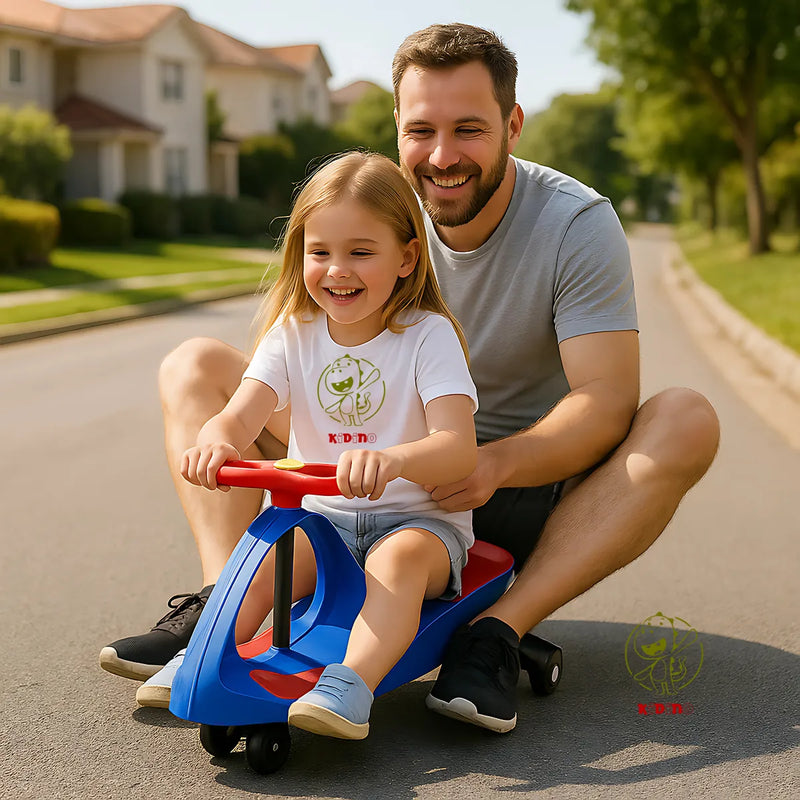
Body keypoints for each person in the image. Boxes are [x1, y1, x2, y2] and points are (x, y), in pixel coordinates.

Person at [100, 23, 720, 733]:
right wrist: (226, 436)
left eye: (469, 130)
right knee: (193, 363)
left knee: (686, 416)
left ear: (513, 125)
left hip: (499, 480)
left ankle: (495, 634)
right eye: (422, 130)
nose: (443, 156)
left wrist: (492, 463)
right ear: (397, 126)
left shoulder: (575, 223)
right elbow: (284, 359)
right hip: (349, 474)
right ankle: (222, 606)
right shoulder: (373, 214)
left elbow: (606, 401)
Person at [156, 151, 479, 737]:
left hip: (417, 522)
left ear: (407, 257)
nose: (337, 271)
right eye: (320, 252)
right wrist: (216, 441)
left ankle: (350, 682)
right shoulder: (292, 334)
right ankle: (203, 655)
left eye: (360, 252)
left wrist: (394, 460)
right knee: (261, 559)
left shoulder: (426, 335)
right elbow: (239, 413)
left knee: (396, 561)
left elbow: (458, 448)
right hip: (325, 519)